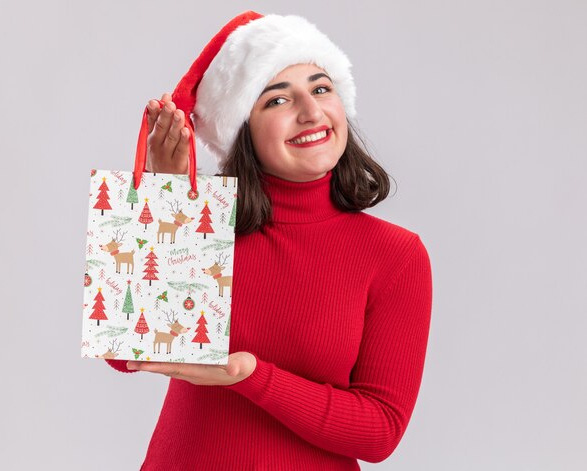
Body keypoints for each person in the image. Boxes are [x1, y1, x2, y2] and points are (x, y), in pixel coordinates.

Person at [106, 11, 433, 470]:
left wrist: (251, 376)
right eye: (277, 100)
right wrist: (168, 202)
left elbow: (378, 432)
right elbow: (125, 355)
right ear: (244, 132)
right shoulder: (205, 230)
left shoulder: (395, 255)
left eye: (321, 88)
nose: (311, 111)